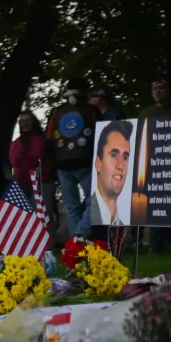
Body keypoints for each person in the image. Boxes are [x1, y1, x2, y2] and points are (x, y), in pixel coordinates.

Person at [46, 77, 99, 239]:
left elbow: (48, 139)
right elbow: (102, 135)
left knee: (72, 207)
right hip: (86, 163)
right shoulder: (91, 110)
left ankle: (74, 244)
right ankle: (80, 235)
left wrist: (52, 162)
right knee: (95, 202)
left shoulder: (56, 112)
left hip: (63, 165)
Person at [141, 73, 171, 252]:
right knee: (156, 206)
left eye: (161, 88)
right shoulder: (146, 114)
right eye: (154, 89)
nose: (158, 92)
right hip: (154, 167)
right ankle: (155, 246)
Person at [90, 120, 133, 226]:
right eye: (114, 155)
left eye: (125, 157)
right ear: (98, 163)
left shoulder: (123, 224)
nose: (121, 165)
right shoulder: (86, 218)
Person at [9, 110, 46, 196]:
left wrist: (23, 158)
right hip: (22, 185)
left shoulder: (40, 140)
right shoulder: (16, 143)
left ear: (33, 122)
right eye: (22, 121)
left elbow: (36, 159)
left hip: (40, 184)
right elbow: (14, 161)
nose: (25, 123)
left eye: (28, 120)